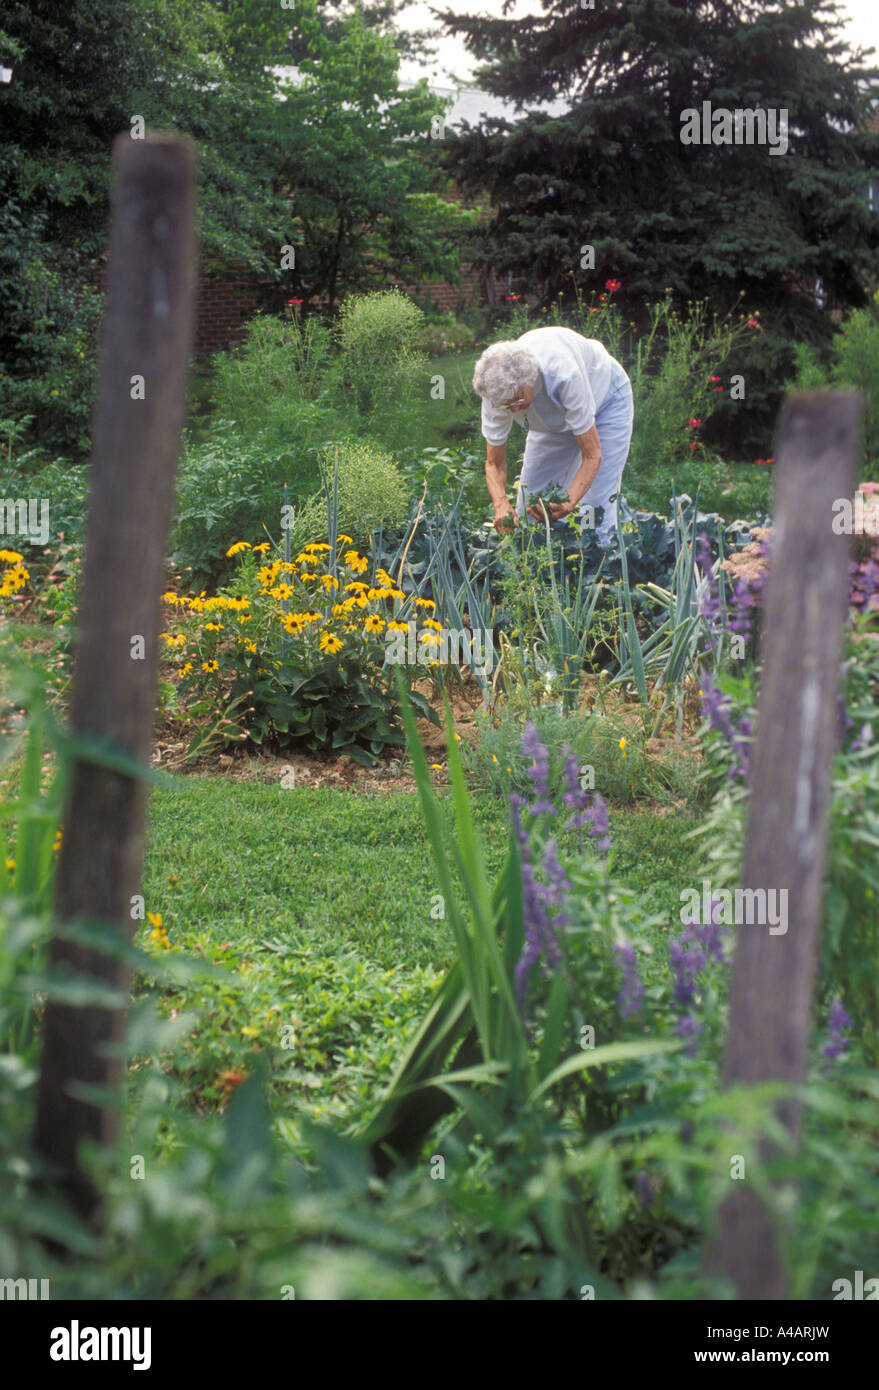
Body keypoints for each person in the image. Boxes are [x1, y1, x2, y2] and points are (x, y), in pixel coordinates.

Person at [473, 325, 634, 543]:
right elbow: (494, 463)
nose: (512, 410)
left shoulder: (562, 373)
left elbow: (592, 454)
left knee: (594, 508)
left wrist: (570, 501)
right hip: (553, 423)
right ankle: (543, 570)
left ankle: (601, 569)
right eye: (505, 405)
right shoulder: (496, 391)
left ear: (530, 379)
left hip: (605, 402)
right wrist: (501, 504)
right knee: (531, 508)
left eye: (518, 400)